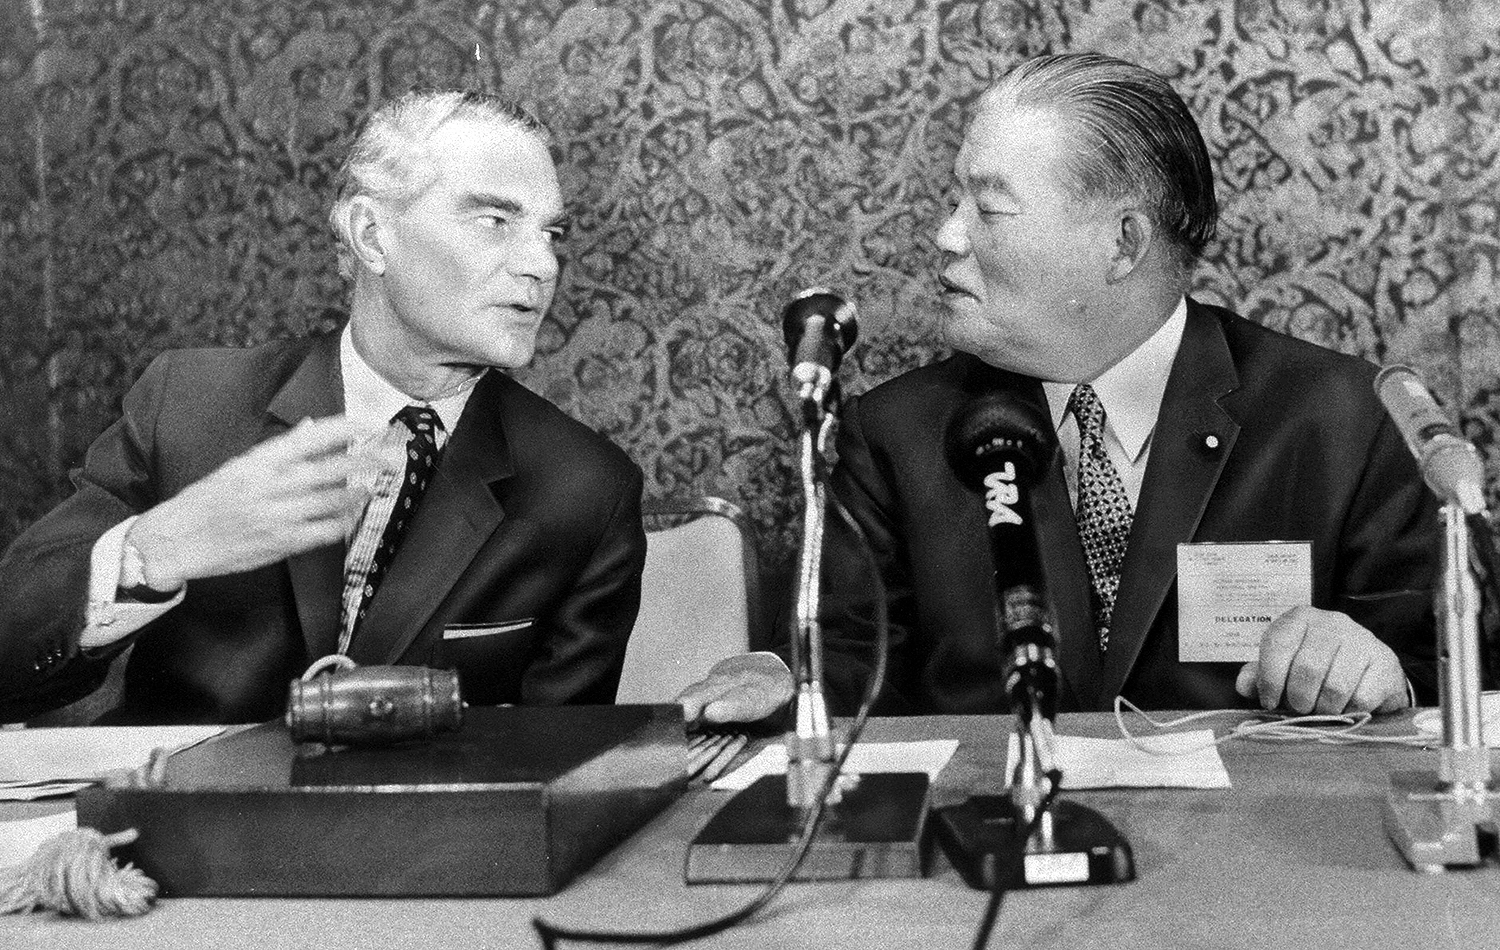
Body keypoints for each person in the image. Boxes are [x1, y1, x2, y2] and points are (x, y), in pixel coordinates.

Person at [680, 52, 1438, 723]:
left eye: (990, 208)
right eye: (956, 201)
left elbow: (1445, 677)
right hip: (986, 851)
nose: (948, 234)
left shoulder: (1345, 420)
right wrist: (784, 676)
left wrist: (1382, 673)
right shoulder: (893, 436)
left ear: (1123, 242)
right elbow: (853, 667)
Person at [0, 91, 646, 724]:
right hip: (181, 826)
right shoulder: (190, 403)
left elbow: (560, 772)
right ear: (371, 234)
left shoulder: (588, 488)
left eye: (551, 232)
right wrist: (152, 550)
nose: (542, 265)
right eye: (494, 221)